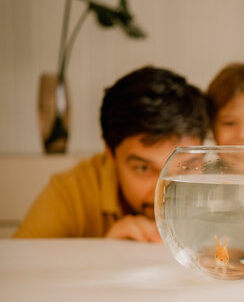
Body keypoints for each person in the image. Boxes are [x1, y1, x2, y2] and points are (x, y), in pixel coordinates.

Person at [14, 66, 209, 242]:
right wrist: (104, 254)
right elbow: (16, 272)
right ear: (111, 155)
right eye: (143, 168)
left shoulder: (224, 190)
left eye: (187, 167)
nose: (164, 193)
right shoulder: (70, 192)